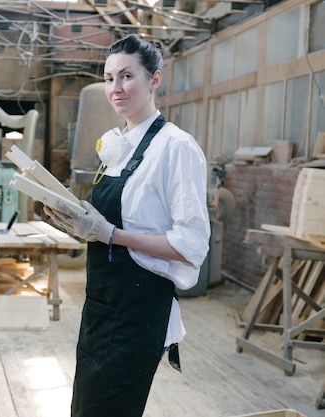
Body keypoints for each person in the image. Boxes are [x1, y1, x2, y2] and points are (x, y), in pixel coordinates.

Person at [45, 34, 211, 417]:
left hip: (138, 313)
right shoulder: (117, 146)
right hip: (101, 308)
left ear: (154, 80)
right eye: (108, 78)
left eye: (126, 76)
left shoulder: (175, 147)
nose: (115, 88)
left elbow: (191, 244)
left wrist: (110, 234)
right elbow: (117, 222)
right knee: (85, 407)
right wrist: (79, 222)